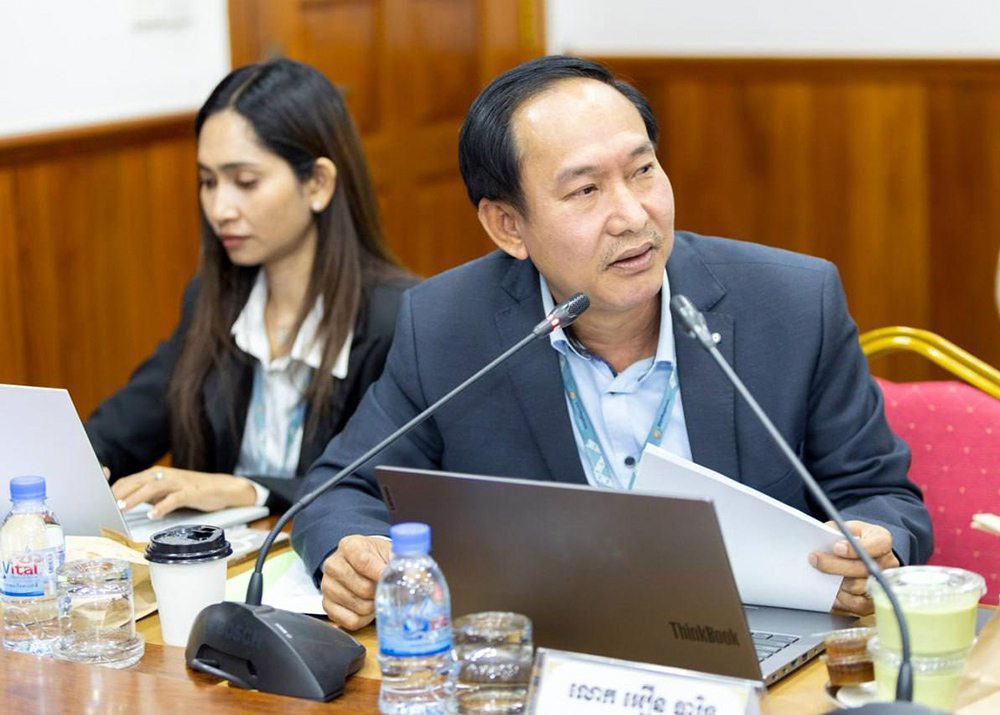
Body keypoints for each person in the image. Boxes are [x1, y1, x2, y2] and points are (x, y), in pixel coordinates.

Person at [290, 56, 933, 630]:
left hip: (757, 645)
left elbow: (883, 496)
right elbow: (340, 491)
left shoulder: (792, 305)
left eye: (643, 170)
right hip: (549, 648)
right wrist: (354, 554)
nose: (632, 215)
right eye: (586, 190)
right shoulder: (447, 325)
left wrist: (876, 544)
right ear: (508, 225)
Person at [85, 59, 413, 517]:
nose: (220, 209)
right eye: (208, 182)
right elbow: (122, 428)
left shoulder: (400, 318)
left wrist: (247, 490)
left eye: (245, 182)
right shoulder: (212, 299)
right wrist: (81, 465)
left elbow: (386, 482)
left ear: (318, 184)